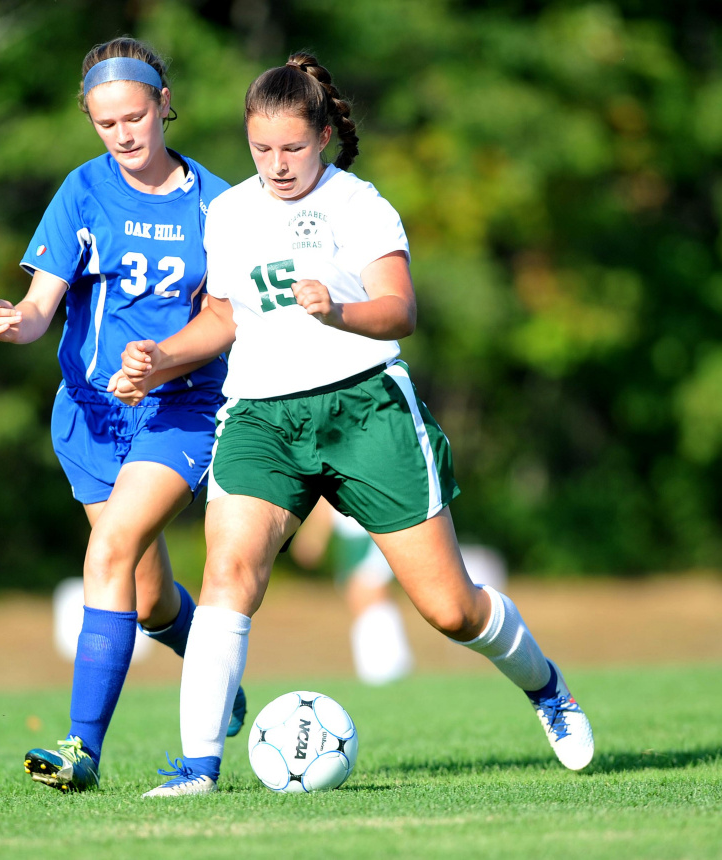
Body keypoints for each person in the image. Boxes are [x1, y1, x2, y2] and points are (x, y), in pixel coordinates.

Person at [113, 52, 595, 796]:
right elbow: (221, 318)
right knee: (228, 572)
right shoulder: (229, 211)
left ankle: (547, 689)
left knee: (449, 609)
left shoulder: (358, 205)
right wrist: (160, 360)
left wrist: (336, 310)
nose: (276, 165)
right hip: (261, 418)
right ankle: (197, 767)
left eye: (292, 149)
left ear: (325, 139)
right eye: (261, 148)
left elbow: (399, 308)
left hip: (363, 406)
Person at [0, 37, 245, 793]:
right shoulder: (83, 190)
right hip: (91, 417)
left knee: (109, 554)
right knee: (149, 595)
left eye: (135, 117)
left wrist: (161, 360)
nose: (124, 135)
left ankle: (80, 750)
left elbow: (226, 320)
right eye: (106, 124)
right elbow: (39, 307)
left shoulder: (218, 205)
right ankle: (210, 669)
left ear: (164, 105)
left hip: (180, 408)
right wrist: (12, 323)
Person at [291, 497, 413, 685]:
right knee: (358, 598)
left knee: (369, 592)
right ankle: (379, 667)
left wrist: (314, 535)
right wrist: (314, 535)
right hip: (349, 540)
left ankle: (388, 666)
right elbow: (323, 505)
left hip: (372, 532)